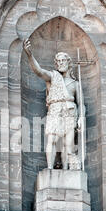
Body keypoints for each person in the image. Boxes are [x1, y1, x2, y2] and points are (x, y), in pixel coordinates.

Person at [23, 39, 85, 170]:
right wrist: (30, 55)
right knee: (52, 140)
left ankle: (66, 170)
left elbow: (81, 104)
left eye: (63, 60)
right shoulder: (53, 77)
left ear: (69, 63)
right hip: (55, 110)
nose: (61, 63)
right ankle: (50, 169)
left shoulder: (75, 84)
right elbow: (39, 71)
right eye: (58, 61)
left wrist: (81, 118)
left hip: (70, 111)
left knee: (67, 145)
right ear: (56, 64)